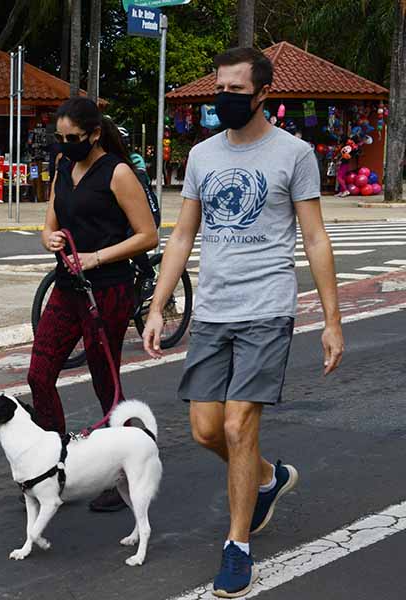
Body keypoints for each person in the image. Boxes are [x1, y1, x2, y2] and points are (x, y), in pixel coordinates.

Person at [142, 48, 343, 598]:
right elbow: (182, 236)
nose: (223, 99)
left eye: (234, 90)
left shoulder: (294, 154)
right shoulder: (203, 156)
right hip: (213, 309)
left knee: (237, 427)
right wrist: (160, 306)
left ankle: (237, 547)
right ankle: (266, 477)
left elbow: (316, 237)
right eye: (219, 89)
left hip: (267, 308)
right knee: (207, 429)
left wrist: (331, 318)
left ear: (260, 95)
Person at [28, 97, 159, 512]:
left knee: (106, 381)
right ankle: (53, 463)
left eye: (73, 138)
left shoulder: (118, 173)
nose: (65, 145)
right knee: (39, 373)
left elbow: (148, 235)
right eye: (60, 138)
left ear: (95, 134)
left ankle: (125, 464)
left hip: (108, 290)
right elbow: (51, 219)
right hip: (68, 287)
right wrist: (47, 237)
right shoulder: (63, 168)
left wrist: (97, 257)